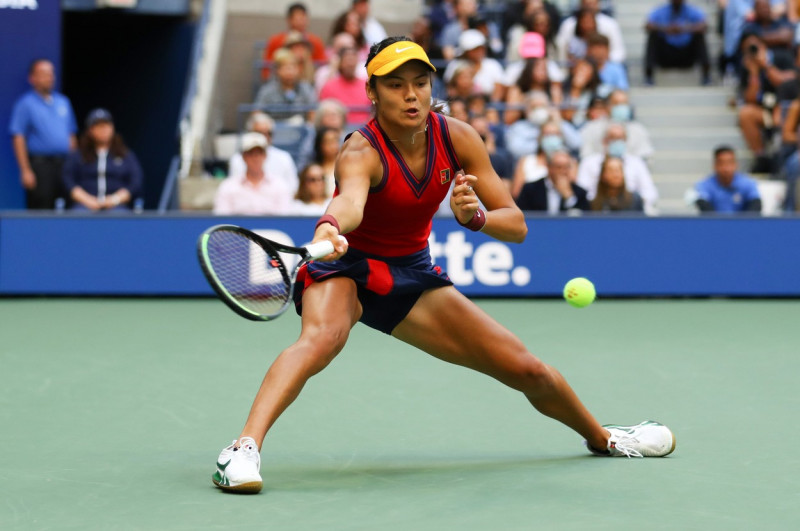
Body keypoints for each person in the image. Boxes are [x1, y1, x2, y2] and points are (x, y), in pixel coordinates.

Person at [211, 37, 676, 494]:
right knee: (322, 338)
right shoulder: (360, 151)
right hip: (347, 264)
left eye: (419, 82)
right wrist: (330, 226)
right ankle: (242, 449)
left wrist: (476, 218)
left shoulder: (456, 137)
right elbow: (349, 202)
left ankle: (606, 437)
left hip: (410, 273)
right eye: (395, 85)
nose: (411, 95)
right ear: (372, 93)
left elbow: (516, 227)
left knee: (526, 369)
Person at [8, 58, 78, 209]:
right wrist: (25, 170)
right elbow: (18, 136)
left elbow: (71, 135)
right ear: (32, 78)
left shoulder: (63, 102)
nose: (50, 77)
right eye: (44, 73)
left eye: (51, 73)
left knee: (68, 208)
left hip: (64, 165)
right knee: (42, 208)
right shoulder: (25, 104)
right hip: (40, 167)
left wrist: (73, 165)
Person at [61, 109, 143, 212]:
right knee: (78, 214)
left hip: (117, 205)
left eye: (106, 125)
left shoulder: (124, 154)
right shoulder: (78, 155)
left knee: (121, 216)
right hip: (85, 204)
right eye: (98, 126)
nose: (103, 130)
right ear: (90, 130)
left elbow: (135, 182)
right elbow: (68, 180)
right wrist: (88, 200)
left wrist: (114, 199)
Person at [576, 123, 660, 214]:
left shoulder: (637, 162)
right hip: (596, 210)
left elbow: (649, 192)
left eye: (620, 138)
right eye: (613, 137)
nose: (617, 141)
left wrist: (630, 202)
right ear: (604, 140)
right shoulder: (589, 162)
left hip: (630, 210)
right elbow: (582, 191)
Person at [213, 132, 294, 216]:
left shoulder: (280, 185)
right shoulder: (228, 187)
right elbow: (222, 219)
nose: (255, 158)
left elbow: (284, 220)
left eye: (259, 153)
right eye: (251, 154)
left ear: (265, 156)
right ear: (243, 156)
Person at [229, 112, 299, 195]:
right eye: (260, 133)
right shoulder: (237, 160)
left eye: (268, 133)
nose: (265, 137)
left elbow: (293, 188)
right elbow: (234, 189)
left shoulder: (284, 158)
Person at [644, 0, 712, 86]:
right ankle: (648, 77)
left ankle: (706, 76)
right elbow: (648, 26)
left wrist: (683, 29)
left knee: (699, 36)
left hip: (686, 56)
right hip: (666, 56)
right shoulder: (661, 10)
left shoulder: (691, 10)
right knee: (653, 36)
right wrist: (666, 29)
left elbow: (704, 26)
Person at [580, 90, 655, 160]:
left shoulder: (638, 129)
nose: (621, 107)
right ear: (607, 106)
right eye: (617, 103)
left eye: (624, 103)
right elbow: (586, 154)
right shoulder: (592, 128)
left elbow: (645, 155)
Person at [263, 2, 327, 77]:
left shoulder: (315, 41)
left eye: (303, 18)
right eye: (297, 18)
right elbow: (266, 70)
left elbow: (322, 67)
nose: (301, 22)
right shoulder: (276, 40)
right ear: (289, 20)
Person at [691, 146, 762, 212]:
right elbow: (703, 204)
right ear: (715, 165)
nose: (726, 168)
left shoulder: (748, 183)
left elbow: (756, 205)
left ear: (736, 164)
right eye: (722, 163)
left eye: (730, 162)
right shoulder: (704, 185)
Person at [254, 48, 317, 123]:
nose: (290, 72)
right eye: (286, 68)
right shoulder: (267, 90)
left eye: (293, 68)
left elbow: (313, 114)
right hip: (274, 130)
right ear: (277, 70)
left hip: (300, 130)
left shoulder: (306, 88)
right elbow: (256, 114)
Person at [516, 150, 590, 212]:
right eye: (559, 167)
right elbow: (522, 215)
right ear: (549, 167)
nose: (563, 171)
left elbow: (583, 221)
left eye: (566, 167)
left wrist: (569, 198)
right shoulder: (530, 190)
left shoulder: (580, 193)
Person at [555, 0, 626, 63]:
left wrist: (601, 60)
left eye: (592, 4)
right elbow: (561, 52)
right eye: (586, 4)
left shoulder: (610, 24)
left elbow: (619, 53)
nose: (589, 7)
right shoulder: (568, 25)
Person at [318, 46, 372, 125]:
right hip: (337, 130)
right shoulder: (329, 86)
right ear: (340, 62)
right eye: (347, 59)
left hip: (366, 130)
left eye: (353, 59)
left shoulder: (367, 85)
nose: (350, 63)